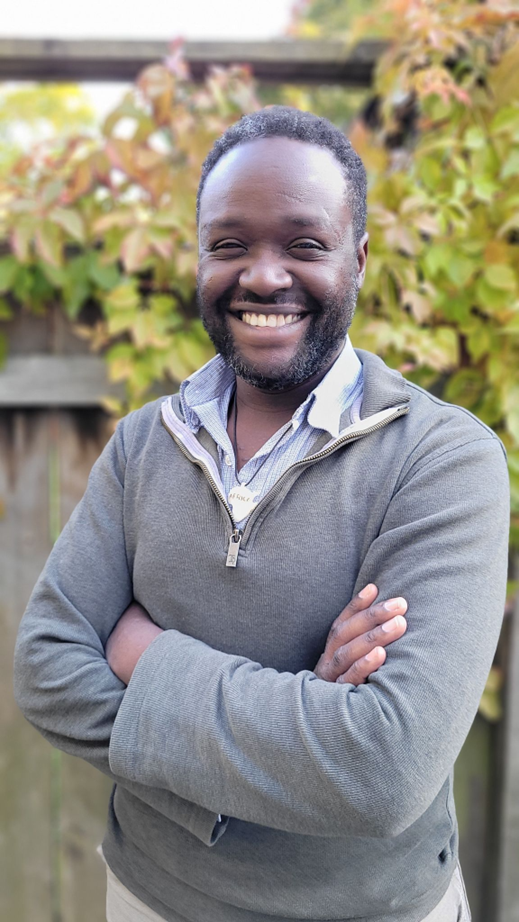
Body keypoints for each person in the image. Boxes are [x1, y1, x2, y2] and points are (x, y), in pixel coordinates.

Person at [14, 107, 509, 922]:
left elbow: (381, 770)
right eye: (229, 244)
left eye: (303, 245)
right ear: (201, 255)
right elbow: (46, 672)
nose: (262, 276)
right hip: (146, 898)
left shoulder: (443, 459)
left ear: (356, 259)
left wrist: (144, 652)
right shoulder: (145, 443)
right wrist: (301, 715)